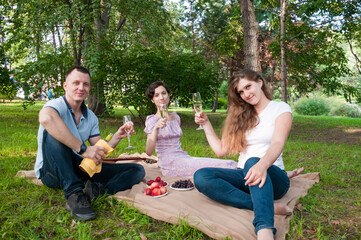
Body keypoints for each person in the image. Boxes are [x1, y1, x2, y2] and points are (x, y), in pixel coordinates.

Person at [193, 69, 297, 240]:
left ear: (260, 82)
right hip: (245, 176)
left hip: (272, 176)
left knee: (253, 162)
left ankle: (264, 230)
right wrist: (206, 124)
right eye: (241, 92)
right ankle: (267, 206)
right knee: (202, 176)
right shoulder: (241, 116)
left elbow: (278, 142)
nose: (246, 94)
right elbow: (220, 151)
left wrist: (262, 165)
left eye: (248, 87)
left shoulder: (280, 108)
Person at [34, 66, 145, 221]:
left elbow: (99, 149)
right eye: (76, 83)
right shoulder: (56, 105)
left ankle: (97, 191)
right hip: (52, 172)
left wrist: (118, 136)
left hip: (79, 168)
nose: (81, 87)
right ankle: (74, 194)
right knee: (53, 134)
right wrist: (83, 149)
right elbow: (46, 119)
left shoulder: (91, 116)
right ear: (66, 86)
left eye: (85, 84)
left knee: (137, 170)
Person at [144, 81, 238, 177]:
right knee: (215, 167)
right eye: (156, 95)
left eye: (164, 93)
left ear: (168, 95)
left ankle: (240, 174)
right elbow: (149, 152)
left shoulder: (175, 117)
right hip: (169, 164)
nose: (161, 97)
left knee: (220, 163)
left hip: (183, 157)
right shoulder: (152, 120)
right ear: (152, 100)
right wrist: (155, 128)